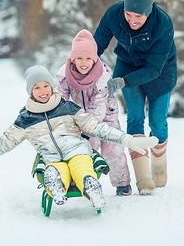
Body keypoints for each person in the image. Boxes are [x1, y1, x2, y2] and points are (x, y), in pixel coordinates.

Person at [0, 65, 158, 211]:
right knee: (57, 169)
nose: (43, 91)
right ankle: (56, 186)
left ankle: (91, 186)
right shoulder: (25, 119)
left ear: (51, 86)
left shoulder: (67, 107)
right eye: (37, 87)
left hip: (77, 150)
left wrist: (129, 140)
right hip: (51, 157)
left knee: (81, 164)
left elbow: (97, 128)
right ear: (30, 91)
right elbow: (1, 145)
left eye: (45, 85)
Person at [93, 0, 177, 195]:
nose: (132, 20)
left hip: (160, 72)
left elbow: (153, 69)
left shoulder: (163, 24)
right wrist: (83, 65)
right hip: (128, 64)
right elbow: (97, 45)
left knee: (157, 123)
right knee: (135, 118)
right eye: (128, 14)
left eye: (138, 16)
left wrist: (122, 82)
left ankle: (158, 166)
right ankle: (143, 177)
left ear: (148, 12)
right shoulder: (114, 14)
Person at [56, 29, 132, 196]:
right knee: (86, 149)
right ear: (73, 59)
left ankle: (122, 184)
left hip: (106, 118)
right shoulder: (65, 75)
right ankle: (86, 181)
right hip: (80, 120)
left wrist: (87, 128)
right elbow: (61, 100)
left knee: (113, 150)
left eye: (88, 58)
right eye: (79, 58)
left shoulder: (102, 76)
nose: (84, 62)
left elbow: (98, 107)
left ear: (94, 59)